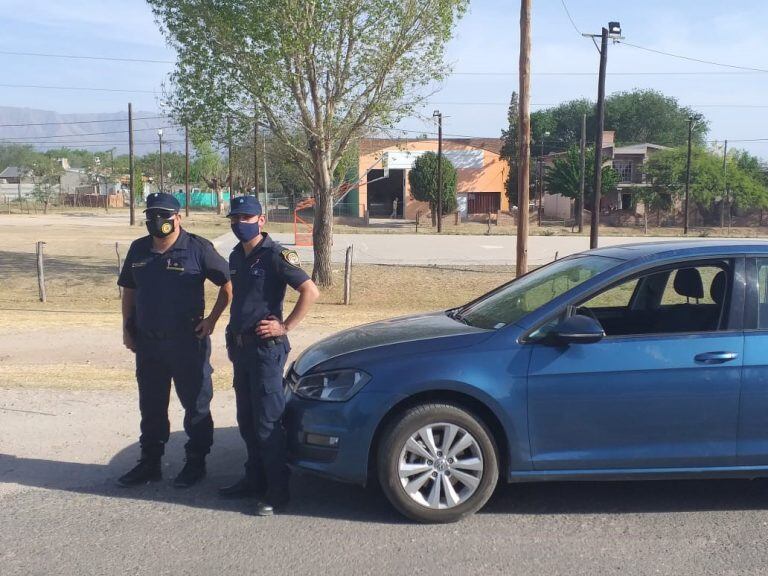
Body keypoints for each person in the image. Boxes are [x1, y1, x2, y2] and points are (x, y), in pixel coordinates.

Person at [117, 192, 232, 488]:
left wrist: (212, 320)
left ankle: (195, 463)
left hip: (187, 344)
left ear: (178, 218)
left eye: (164, 216)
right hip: (149, 344)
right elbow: (129, 290)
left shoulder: (198, 248)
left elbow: (228, 284)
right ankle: (150, 463)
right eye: (152, 216)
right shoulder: (138, 249)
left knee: (195, 405)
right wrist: (127, 329)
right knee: (152, 407)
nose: (157, 221)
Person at [220, 195, 319, 516]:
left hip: (266, 351)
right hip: (241, 347)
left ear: (261, 220)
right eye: (235, 218)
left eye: (247, 218)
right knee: (246, 420)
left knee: (267, 422)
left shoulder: (276, 254)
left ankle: (278, 491)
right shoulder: (236, 255)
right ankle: (254, 479)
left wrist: (285, 326)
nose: (240, 224)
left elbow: (310, 290)